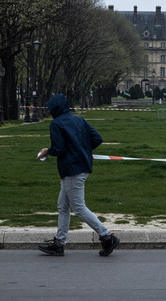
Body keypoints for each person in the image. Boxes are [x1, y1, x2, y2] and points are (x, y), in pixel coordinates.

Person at [36, 93, 120, 257]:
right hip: (82, 167)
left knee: (79, 208)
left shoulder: (56, 124)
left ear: (55, 109)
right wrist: (83, 151)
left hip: (71, 170)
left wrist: (47, 151)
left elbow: (59, 149)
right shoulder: (79, 120)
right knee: (63, 206)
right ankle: (59, 243)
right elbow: (97, 139)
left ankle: (107, 236)